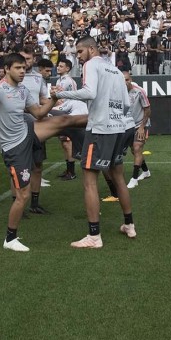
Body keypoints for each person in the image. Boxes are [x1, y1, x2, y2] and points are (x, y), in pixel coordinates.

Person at [0, 54, 87, 252]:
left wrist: (53, 99)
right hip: (14, 147)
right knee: (23, 194)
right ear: (7, 69)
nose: (22, 71)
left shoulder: (22, 89)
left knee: (65, 120)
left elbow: (38, 113)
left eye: (24, 67)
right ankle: (10, 238)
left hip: (28, 132)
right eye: (18, 68)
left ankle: (103, 124)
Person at [51, 37, 136, 248]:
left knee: (89, 181)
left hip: (99, 129)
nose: (78, 56)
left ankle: (94, 236)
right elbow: (126, 103)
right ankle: (129, 225)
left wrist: (59, 94)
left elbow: (90, 92)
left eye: (80, 52)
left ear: (91, 49)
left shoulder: (91, 64)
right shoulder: (116, 70)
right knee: (118, 178)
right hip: (119, 128)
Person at [19, 47, 51, 214]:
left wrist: (52, 103)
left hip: (37, 125)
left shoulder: (39, 78)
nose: (26, 62)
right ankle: (18, 204)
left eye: (29, 59)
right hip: (18, 125)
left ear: (33, 60)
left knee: (37, 165)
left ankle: (35, 203)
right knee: (19, 167)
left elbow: (43, 98)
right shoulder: (13, 77)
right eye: (23, 58)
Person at [53, 57, 84, 181]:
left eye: (61, 66)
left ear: (67, 68)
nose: (58, 68)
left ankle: (72, 171)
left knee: (67, 142)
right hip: (62, 111)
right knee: (64, 143)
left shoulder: (69, 81)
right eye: (58, 66)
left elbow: (72, 98)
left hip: (68, 112)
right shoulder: (60, 80)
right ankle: (68, 168)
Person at [123, 68, 152, 189]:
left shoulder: (139, 91)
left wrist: (141, 127)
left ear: (131, 79)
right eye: (123, 80)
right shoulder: (117, 92)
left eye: (127, 79)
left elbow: (148, 109)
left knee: (137, 147)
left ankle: (134, 178)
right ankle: (146, 171)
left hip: (140, 124)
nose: (126, 82)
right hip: (127, 125)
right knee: (134, 151)